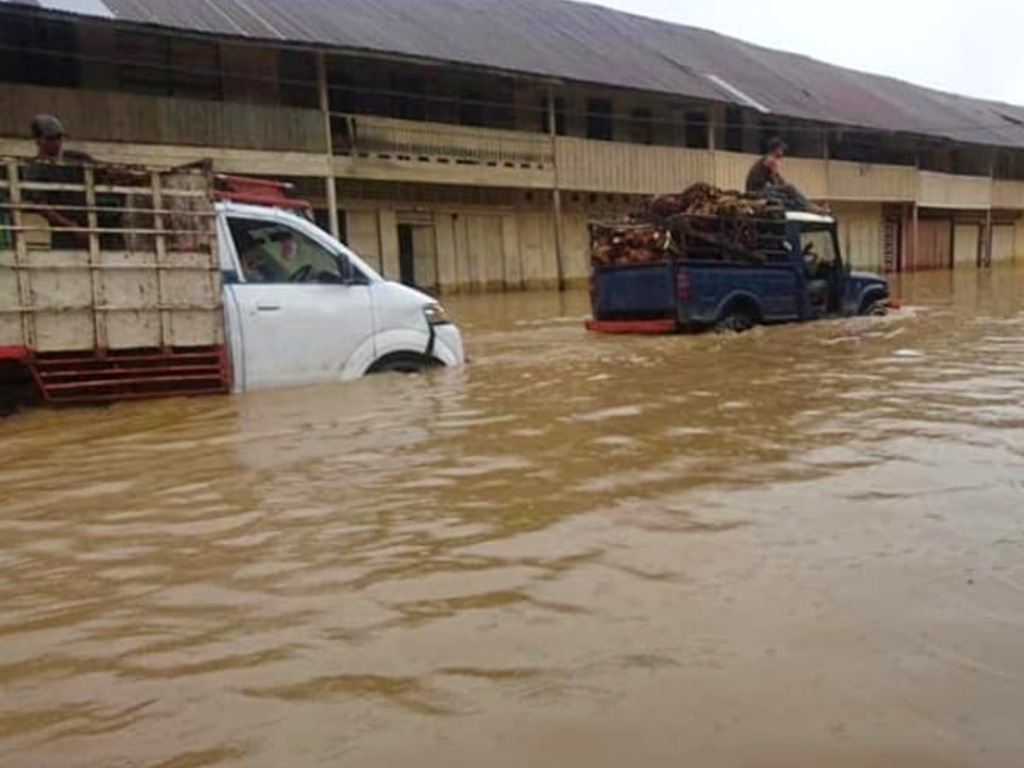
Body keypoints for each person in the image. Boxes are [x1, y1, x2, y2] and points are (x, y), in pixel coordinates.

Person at [22, 114, 95, 249]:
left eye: (58, 138)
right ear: (38, 140)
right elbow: (41, 206)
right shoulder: (34, 169)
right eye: (50, 139)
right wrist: (71, 227)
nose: (56, 143)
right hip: (63, 233)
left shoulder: (78, 159)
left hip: (90, 224)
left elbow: (104, 173)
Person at [745, 136, 829, 214]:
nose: (782, 152)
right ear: (776, 149)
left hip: (756, 190)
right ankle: (812, 208)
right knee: (789, 188)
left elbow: (779, 181)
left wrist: (786, 189)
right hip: (757, 191)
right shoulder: (771, 160)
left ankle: (810, 207)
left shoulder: (766, 159)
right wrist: (788, 189)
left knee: (789, 195)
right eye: (781, 149)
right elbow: (776, 181)